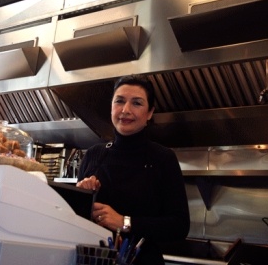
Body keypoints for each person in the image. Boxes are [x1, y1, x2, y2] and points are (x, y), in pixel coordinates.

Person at [76, 75, 190, 264]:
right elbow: (76, 220)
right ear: (111, 107)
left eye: (137, 103)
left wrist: (125, 222)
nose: (125, 110)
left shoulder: (163, 158)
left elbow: (179, 226)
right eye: (119, 101)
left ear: (149, 113)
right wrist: (81, 196)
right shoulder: (93, 154)